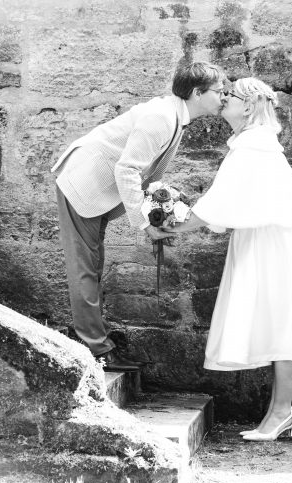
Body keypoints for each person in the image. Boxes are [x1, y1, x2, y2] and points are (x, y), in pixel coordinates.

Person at [164, 77, 292, 440]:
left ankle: (282, 413)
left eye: (231, 95)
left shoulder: (253, 146)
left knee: (284, 326)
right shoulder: (252, 144)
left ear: (250, 105)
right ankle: (278, 413)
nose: (223, 99)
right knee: (278, 325)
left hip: (274, 245)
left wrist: (171, 228)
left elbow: (217, 204)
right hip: (267, 239)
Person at [51, 62, 226, 371]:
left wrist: (161, 209)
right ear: (198, 94)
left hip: (99, 190)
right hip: (83, 185)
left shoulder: (174, 115)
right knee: (85, 267)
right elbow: (128, 169)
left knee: (91, 264)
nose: (223, 96)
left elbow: (145, 173)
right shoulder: (161, 117)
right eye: (219, 90)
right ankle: (95, 349)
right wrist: (145, 224)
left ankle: (94, 339)